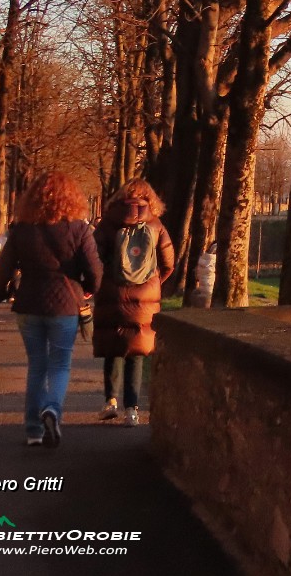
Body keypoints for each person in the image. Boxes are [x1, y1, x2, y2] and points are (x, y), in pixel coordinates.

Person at [0, 171, 102, 447]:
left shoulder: (21, 230)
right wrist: (87, 288)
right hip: (65, 305)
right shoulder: (79, 229)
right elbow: (95, 270)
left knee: (36, 365)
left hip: (29, 304)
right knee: (60, 363)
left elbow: (2, 269)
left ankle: (32, 430)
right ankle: (52, 408)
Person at [93, 179, 175, 426]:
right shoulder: (156, 225)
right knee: (137, 353)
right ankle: (133, 409)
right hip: (145, 298)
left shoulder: (108, 223)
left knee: (114, 349)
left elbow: (94, 256)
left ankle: (111, 401)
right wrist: (154, 281)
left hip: (112, 295)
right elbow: (169, 262)